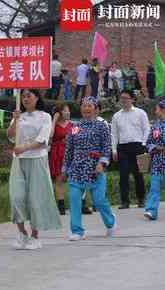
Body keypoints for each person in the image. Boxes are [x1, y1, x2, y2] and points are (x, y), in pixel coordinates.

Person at [7, 89, 61, 249]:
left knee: (35, 198)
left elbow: (43, 139)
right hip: (19, 161)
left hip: (37, 159)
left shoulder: (45, 116)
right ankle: (22, 233)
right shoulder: (19, 116)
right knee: (16, 196)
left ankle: (35, 236)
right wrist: (15, 120)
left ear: (37, 98)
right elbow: (10, 135)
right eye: (23, 96)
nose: (25, 99)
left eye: (29, 96)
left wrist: (24, 147)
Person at [63, 96, 117, 241]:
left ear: (96, 109)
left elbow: (106, 147)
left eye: (89, 106)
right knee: (74, 199)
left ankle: (110, 221)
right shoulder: (75, 127)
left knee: (99, 200)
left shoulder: (102, 126)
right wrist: (65, 169)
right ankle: (77, 231)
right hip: (77, 168)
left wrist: (102, 163)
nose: (86, 108)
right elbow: (69, 149)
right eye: (84, 105)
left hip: (95, 168)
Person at [111, 90, 150, 209]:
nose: (124, 100)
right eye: (122, 98)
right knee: (123, 175)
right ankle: (125, 201)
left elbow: (147, 129)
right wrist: (114, 150)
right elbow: (114, 134)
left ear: (132, 99)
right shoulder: (116, 116)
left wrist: (143, 144)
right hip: (123, 148)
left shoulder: (140, 113)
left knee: (139, 174)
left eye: (126, 98)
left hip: (138, 146)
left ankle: (141, 199)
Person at [144, 100, 165, 221]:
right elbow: (148, 143)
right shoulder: (155, 126)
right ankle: (151, 211)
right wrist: (156, 147)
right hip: (157, 162)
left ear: (163, 109)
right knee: (154, 188)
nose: (155, 111)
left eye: (157, 108)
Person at [49, 103, 73, 215]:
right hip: (57, 154)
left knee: (74, 180)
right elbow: (49, 137)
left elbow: (77, 139)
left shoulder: (73, 125)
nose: (67, 112)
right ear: (59, 113)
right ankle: (61, 206)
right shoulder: (53, 125)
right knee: (59, 181)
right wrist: (54, 120)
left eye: (68, 110)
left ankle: (80, 204)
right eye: (65, 110)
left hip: (70, 154)